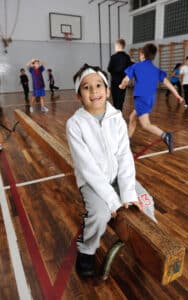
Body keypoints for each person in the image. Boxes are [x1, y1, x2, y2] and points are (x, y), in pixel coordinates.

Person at [66, 63, 142, 277]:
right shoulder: (75, 124)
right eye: (86, 87)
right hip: (92, 181)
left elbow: (124, 156)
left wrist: (127, 192)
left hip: (117, 177)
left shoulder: (116, 117)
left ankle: (146, 246)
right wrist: (111, 199)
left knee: (144, 201)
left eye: (99, 85)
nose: (94, 91)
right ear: (78, 96)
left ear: (108, 91)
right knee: (99, 214)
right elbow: (87, 167)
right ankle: (87, 250)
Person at [119, 43, 183, 153]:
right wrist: (177, 95)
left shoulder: (136, 66)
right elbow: (167, 83)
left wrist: (122, 85)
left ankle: (165, 136)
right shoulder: (155, 69)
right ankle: (127, 140)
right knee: (132, 117)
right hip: (150, 100)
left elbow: (125, 80)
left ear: (142, 54)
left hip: (140, 98)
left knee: (145, 124)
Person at [107, 39, 132, 111]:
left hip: (114, 81)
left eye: (115, 46)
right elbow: (130, 68)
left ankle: (116, 113)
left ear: (118, 46)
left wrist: (113, 72)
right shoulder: (127, 57)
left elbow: (109, 69)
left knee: (115, 99)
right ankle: (119, 112)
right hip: (123, 81)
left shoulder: (113, 57)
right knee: (121, 99)